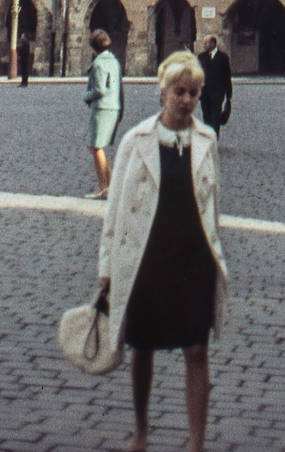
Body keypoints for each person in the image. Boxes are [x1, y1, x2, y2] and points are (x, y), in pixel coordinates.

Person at [99, 50, 226, 452]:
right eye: (179, 92)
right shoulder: (136, 141)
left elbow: (213, 208)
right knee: (144, 346)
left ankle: (196, 442)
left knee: (196, 347)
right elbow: (115, 210)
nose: (186, 100)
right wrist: (107, 267)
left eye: (193, 93)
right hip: (149, 256)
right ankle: (140, 430)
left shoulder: (206, 141)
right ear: (162, 92)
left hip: (194, 258)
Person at [84, 28, 123, 199]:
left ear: (93, 46)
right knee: (97, 146)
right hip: (113, 106)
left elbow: (100, 89)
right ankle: (112, 185)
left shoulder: (99, 64)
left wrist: (87, 96)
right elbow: (115, 87)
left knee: (96, 146)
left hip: (101, 108)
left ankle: (102, 187)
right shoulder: (113, 62)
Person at [198, 35, 233, 134]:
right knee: (206, 117)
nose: (204, 45)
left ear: (213, 43)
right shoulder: (201, 57)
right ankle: (207, 138)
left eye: (206, 43)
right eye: (204, 43)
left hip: (217, 93)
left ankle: (214, 139)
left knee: (215, 117)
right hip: (204, 93)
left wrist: (228, 95)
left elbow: (227, 76)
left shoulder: (223, 57)